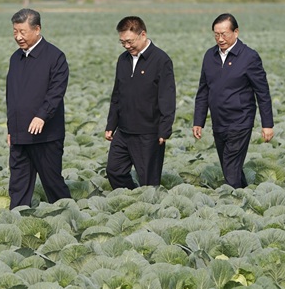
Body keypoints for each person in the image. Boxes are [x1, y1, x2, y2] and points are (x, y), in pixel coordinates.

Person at [192, 13, 274, 188]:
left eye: (224, 34)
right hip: (218, 121)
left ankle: (232, 202)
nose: (220, 39)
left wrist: (267, 125)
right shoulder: (210, 56)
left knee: (230, 166)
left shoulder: (249, 57)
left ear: (236, 32)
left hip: (240, 121)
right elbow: (203, 90)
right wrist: (198, 121)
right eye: (216, 34)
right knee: (230, 167)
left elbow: (262, 92)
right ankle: (245, 196)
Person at [6, 8, 72, 208]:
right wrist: (11, 128)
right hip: (19, 135)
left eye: (22, 32)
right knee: (18, 184)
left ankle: (69, 217)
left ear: (37, 29)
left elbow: (56, 92)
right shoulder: (15, 58)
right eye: (15, 32)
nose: (18, 37)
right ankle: (16, 220)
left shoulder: (55, 57)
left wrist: (41, 116)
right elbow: (12, 96)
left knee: (52, 182)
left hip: (46, 136)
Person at [105, 16, 176, 189]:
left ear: (142, 34)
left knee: (149, 181)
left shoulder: (161, 60)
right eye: (122, 42)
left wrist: (164, 130)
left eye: (130, 41)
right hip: (124, 130)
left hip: (148, 132)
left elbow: (167, 98)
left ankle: (150, 211)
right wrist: (111, 124)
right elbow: (117, 94)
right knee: (114, 171)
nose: (127, 46)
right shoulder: (123, 60)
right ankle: (131, 197)